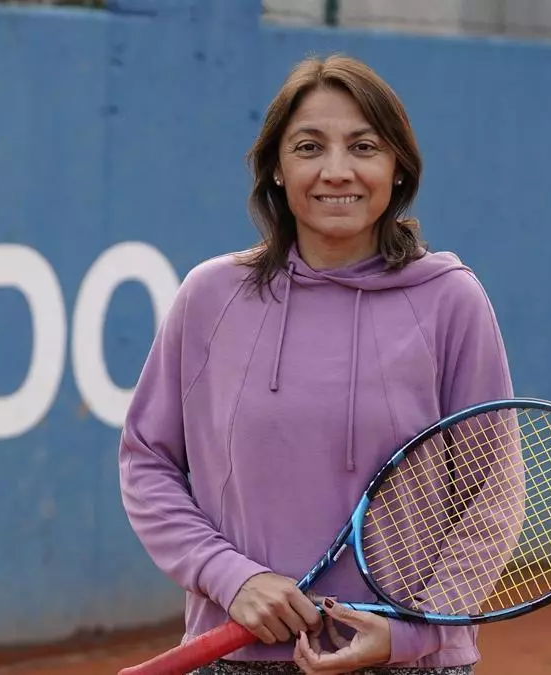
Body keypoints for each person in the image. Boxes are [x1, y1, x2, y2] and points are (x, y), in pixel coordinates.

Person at [118, 54, 512, 675]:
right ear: (277, 169)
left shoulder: (450, 300)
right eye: (308, 147)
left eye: (363, 147)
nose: (336, 171)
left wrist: (412, 632)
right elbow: (148, 461)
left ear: (397, 167)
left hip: (406, 661)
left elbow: (492, 494)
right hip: (238, 654)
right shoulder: (210, 296)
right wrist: (230, 576)